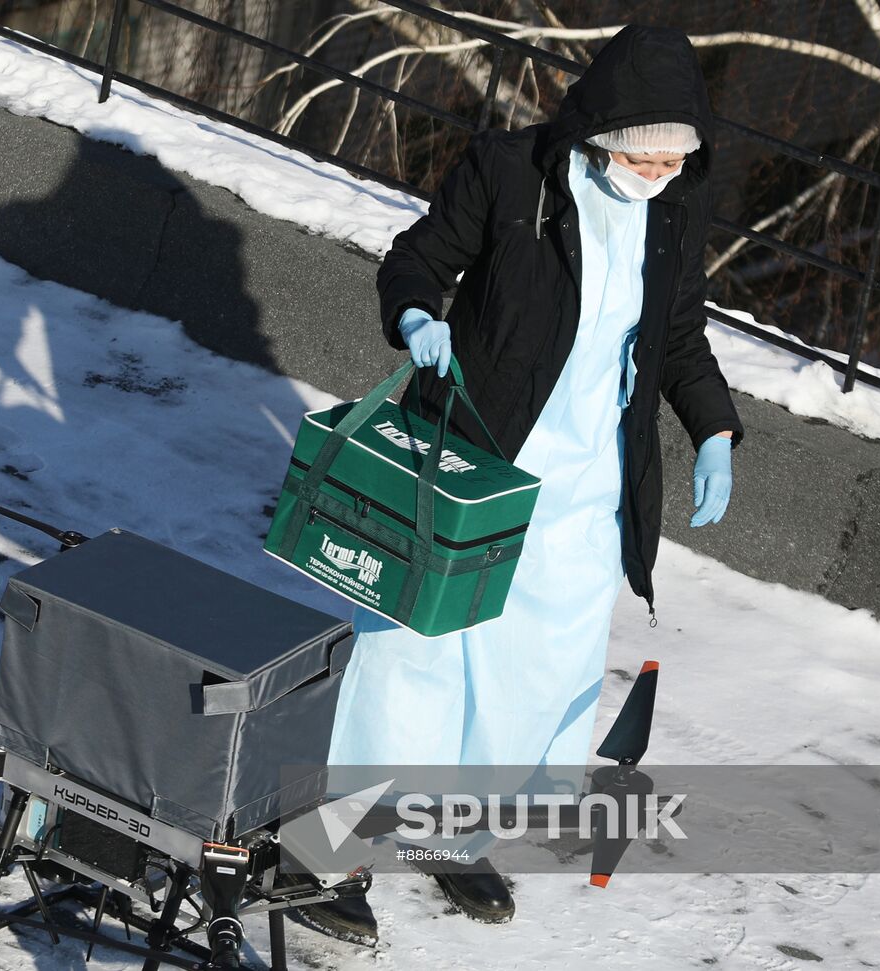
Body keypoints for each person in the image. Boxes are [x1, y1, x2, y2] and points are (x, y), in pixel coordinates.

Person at [297, 24, 744, 944]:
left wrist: (715, 429)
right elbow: (415, 259)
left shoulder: (676, 208)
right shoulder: (513, 173)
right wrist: (419, 315)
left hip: (587, 485)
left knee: (533, 673)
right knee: (414, 656)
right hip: (474, 462)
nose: (660, 172)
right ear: (606, 130)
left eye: (676, 158)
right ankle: (333, 849)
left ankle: (451, 833)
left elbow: (676, 335)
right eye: (648, 154)